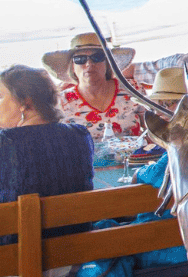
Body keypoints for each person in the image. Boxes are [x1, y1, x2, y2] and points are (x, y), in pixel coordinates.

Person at [0, 65, 93, 259]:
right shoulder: (80, 135)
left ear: (25, 103)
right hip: (76, 257)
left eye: (0, 97)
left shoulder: (5, 142)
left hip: (17, 261)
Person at [42, 32, 143, 137]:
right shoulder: (60, 103)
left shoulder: (132, 89)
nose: (89, 64)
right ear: (72, 66)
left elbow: (151, 128)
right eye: (80, 59)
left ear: (108, 62)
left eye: (97, 57)